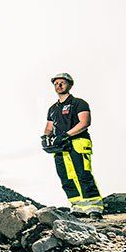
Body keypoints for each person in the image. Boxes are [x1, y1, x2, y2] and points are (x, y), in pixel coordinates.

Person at [43, 72, 103, 215]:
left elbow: (85, 122)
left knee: (83, 174)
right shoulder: (53, 109)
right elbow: (49, 128)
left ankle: (94, 207)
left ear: (69, 84)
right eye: (56, 83)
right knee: (66, 177)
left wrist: (66, 135)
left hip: (78, 142)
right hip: (60, 146)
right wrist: (45, 137)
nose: (59, 85)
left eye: (62, 82)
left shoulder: (79, 103)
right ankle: (78, 207)